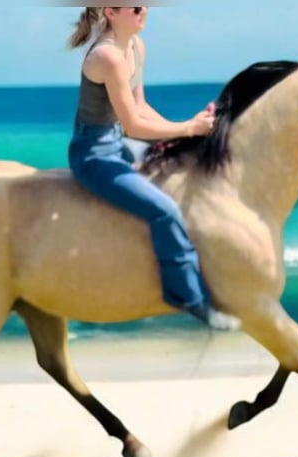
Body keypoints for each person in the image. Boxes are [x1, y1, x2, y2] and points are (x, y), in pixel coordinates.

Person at [67, 6, 239, 330]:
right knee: (165, 211)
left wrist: (183, 133)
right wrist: (188, 128)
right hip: (94, 155)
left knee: (187, 160)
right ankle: (190, 299)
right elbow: (132, 124)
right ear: (111, 12)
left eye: (145, 4)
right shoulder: (108, 57)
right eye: (135, 7)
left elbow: (140, 107)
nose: (143, 10)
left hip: (119, 140)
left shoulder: (134, 46)